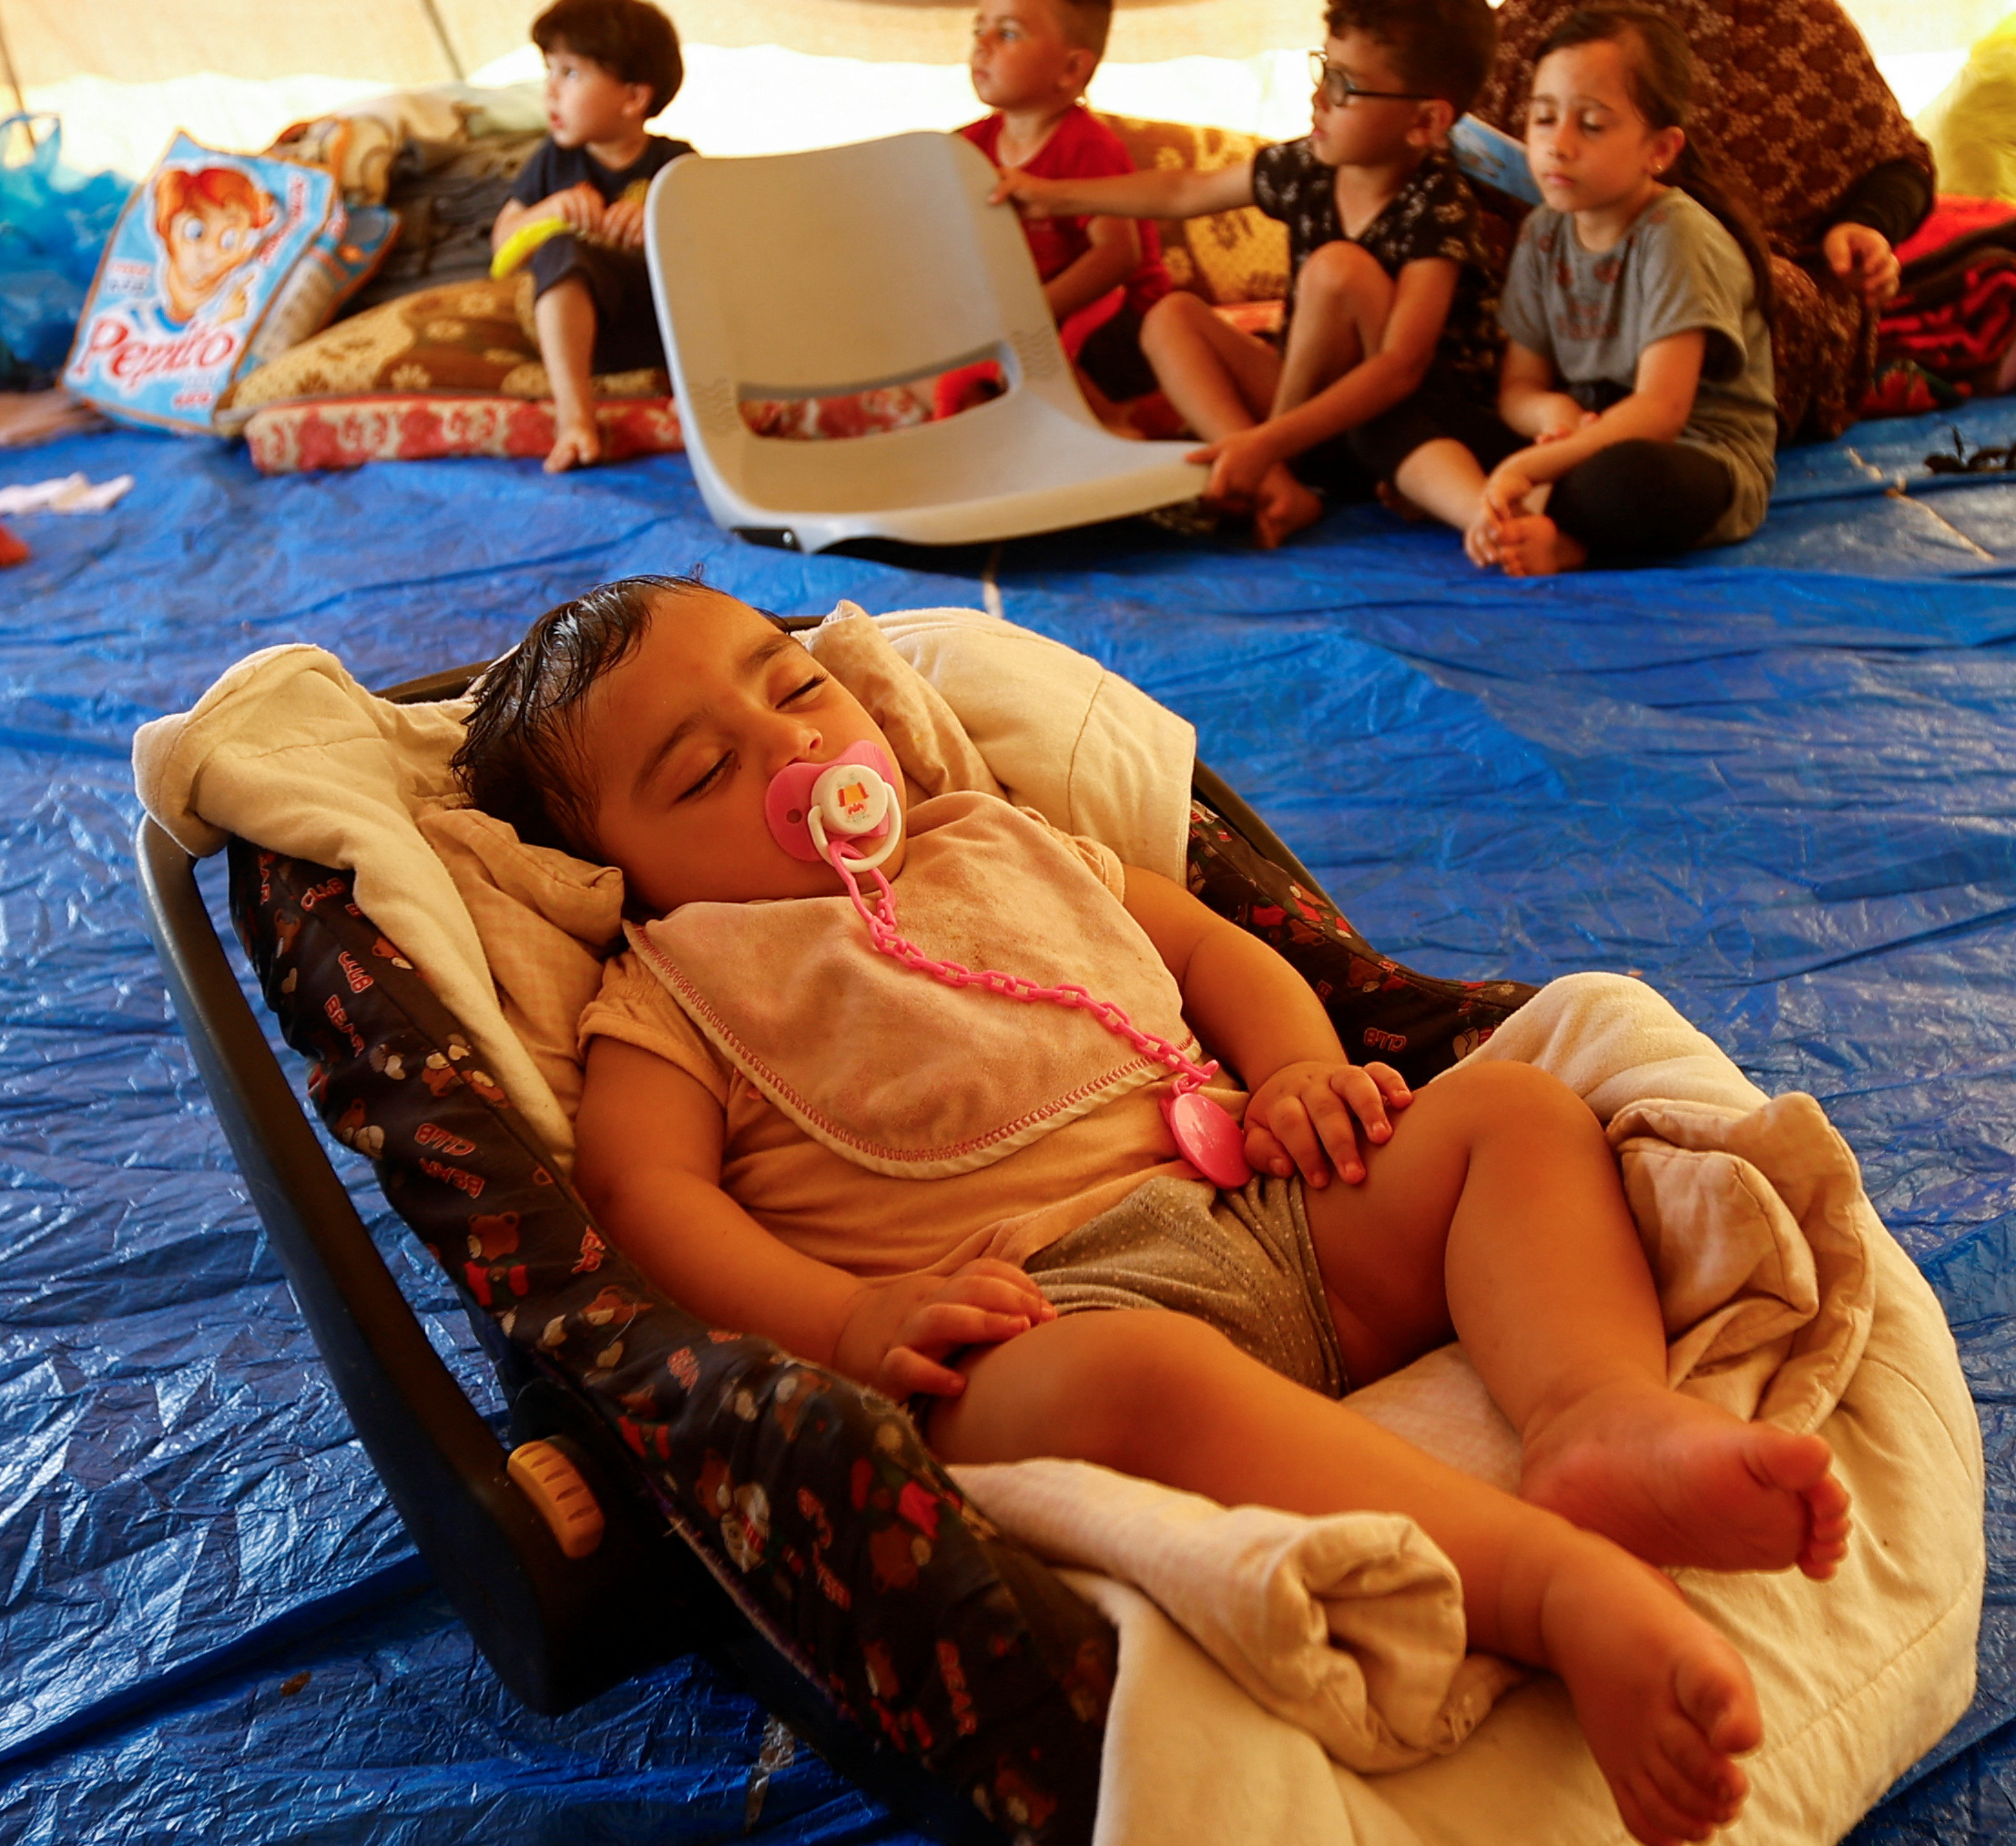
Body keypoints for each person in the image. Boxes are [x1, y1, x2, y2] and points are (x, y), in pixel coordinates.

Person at [456, 576, 1857, 1846]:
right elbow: (646, 1203)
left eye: (797, 686)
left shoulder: (998, 836)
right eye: (703, 771)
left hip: (1255, 1207)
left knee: (1513, 1117)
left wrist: (1301, 1067)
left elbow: (1207, 946)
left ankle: (1592, 1410)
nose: (790, 752)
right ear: (618, 871)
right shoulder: (672, 987)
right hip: (1039, 1320)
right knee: (1134, 1379)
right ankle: (1542, 1584)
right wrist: (847, 1316)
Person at [1475, 0, 1932, 446]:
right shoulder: (1540, 2)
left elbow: (1895, 161)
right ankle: (1538, 420)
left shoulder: (1786, 15)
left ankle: (1620, 437)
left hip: (1730, 283)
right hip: (1559, 276)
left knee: (1752, 297)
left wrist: (1863, 227)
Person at [994, 0, 1504, 548]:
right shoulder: (1307, 167)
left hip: (1401, 428)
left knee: (1336, 269)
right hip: (1305, 413)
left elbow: (1400, 368)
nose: (1319, 96)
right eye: (1322, 69)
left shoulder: (1437, 204)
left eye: (1344, 84)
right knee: (1170, 317)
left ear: (1425, 121)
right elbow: (1183, 190)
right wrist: (1053, 196)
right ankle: (1281, 488)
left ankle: (1260, 465)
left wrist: (1268, 439)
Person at [1392, 7, 1780, 576]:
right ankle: (1495, 516)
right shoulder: (1543, 231)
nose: (1559, 144)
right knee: (1398, 408)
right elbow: (1518, 390)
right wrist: (1560, 418)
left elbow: (1661, 412)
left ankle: (1540, 529)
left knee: (1627, 481)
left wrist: (1536, 465)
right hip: (1583, 434)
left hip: (1683, 451)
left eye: (1592, 125)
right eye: (1544, 118)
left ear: (1661, 150)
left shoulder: (1676, 234)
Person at [944, 0, 1183, 425]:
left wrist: (1031, 316)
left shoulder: (1086, 145)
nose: (983, 46)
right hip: (1028, 312)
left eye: (1007, 33)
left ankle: (1123, 428)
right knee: (959, 368)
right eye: (980, 30)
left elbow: (1119, 257)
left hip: (1120, 320)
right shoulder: (966, 146)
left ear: (1071, 69)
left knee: (1049, 357)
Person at [490, 0, 697, 474]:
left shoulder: (675, 165)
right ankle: (576, 420)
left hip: (662, 329)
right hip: (589, 336)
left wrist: (660, 225)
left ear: (633, 96)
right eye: (550, 72)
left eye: (571, 73)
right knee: (564, 253)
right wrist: (550, 212)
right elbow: (502, 250)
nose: (551, 91)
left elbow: (721, 254)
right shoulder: (553, 163)